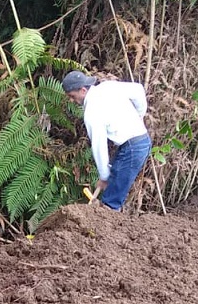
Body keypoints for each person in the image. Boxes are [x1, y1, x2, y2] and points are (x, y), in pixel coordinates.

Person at [62, 70, 152, 211]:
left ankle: (104, 229)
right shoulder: (108, 86)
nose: (71, 101)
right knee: (113, 188)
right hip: (138, 142)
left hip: (132, 148)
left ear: (83, 90)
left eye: (72, 96)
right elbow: (138, 90)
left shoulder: (91, 112)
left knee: (111, 202)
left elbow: (99, 147)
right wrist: (140, 114)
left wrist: (104, 176)